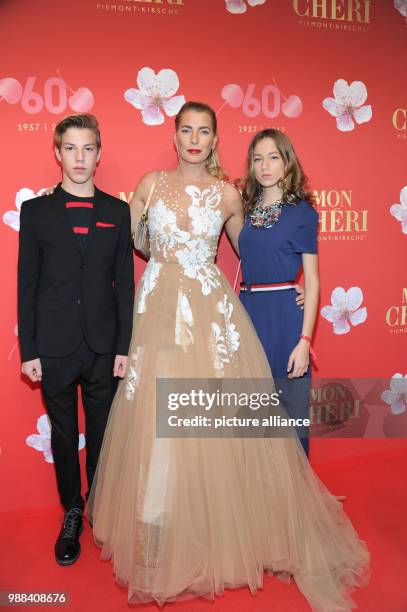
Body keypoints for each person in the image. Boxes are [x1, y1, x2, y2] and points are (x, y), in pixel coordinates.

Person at [87, 102, 369, 610]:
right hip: (157, 310)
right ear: (174, 137)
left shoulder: (227, 195)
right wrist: (168, 273)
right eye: (186, 130)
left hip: (212, 313)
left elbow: (252, 251)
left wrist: (294, 287)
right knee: (156, 415)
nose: (195, 139)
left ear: (215, 140)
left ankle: (220, 522)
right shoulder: (149, 184)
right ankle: (158, 517)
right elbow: (136, 243)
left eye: (205, 132)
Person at [18, 114, 134, 566]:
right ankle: (72, 509)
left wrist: (123, 347)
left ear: (99, 154)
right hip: (54, 346)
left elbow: (124, 285)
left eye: (88, 148)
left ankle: (101, 507)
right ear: (57, 152)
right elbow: (27, 284)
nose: (80, 157)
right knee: (65, 435)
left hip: (104, 347)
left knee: (105, 433)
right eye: (71, 148)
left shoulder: (117, 212)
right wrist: (29, 350)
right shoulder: (36, 211)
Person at [239, 129, 319, 456]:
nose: (265, 166)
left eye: (273, 157)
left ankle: (294, 499)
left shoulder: (302, 212)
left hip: (284, 318)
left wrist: (305, 342)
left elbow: (312, 280)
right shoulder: (247, 207)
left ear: (288, 161)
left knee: (291, 411)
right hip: (248, 314)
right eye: (258, 159)